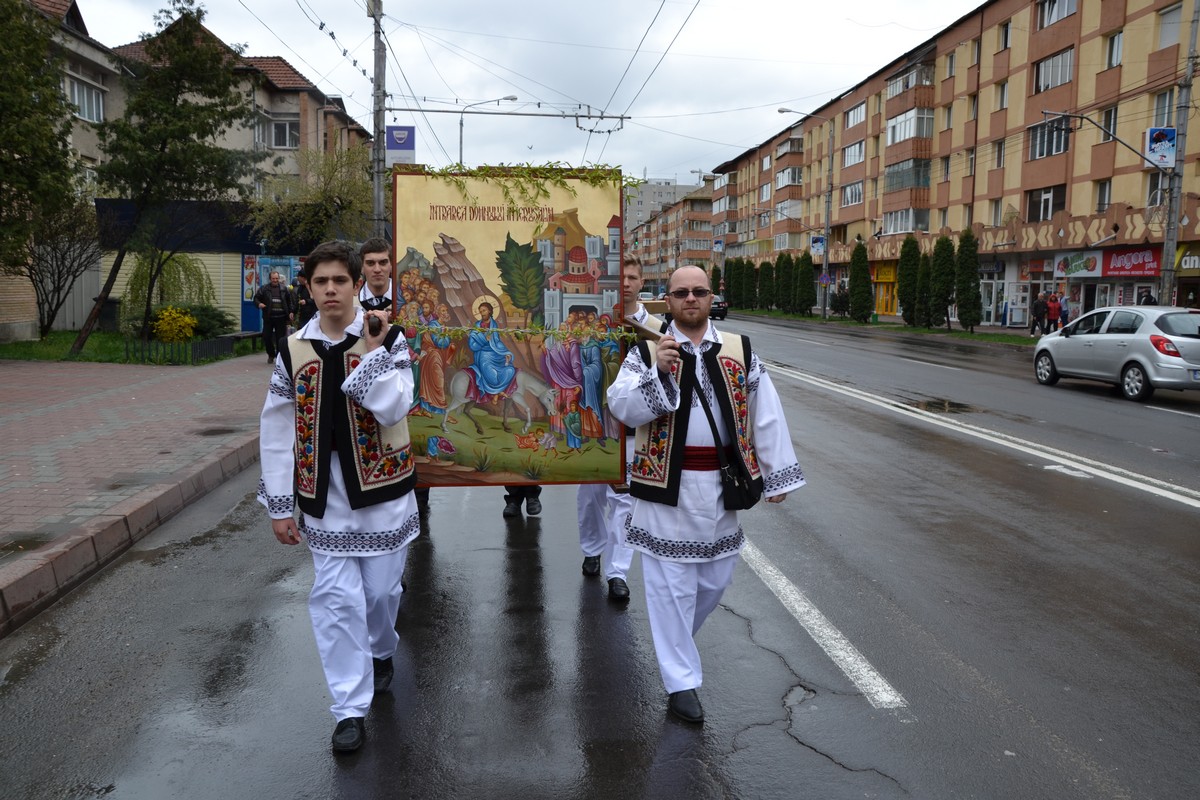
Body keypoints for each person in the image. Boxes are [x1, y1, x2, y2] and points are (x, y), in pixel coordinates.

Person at [607, 265, 805, 724]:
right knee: (670, 588)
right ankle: (681, 683)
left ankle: (674, 644)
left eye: (699, 291)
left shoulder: (739, 349)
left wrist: (777, 474)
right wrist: (657, 372)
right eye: (681, 293)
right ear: (668, 300)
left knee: (714, 581)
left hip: (720, 486)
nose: (690, 299)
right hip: (664, 486)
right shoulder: (645, 350)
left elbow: (765, 412)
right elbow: (622, 407)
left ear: (711, 297)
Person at [257, 240, 419, 754]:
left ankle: (382, 648)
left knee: (381, 594)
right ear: (308, 288)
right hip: (323, 497)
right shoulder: (292, 350)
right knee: (335, 599)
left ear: (356, 285)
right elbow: (277, 428)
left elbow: (396, 406)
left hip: (383, 492)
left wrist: (371, 353)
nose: (331, 290)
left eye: (340, 281)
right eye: (321, 282)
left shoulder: (388, 336)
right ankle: (349, 708)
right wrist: (280, 504)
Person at [576, 256, 659, 601]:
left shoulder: (656, 328)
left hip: (634, 428)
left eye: (633, 277)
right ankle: (592, 548)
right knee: (591, 495)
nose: (626, 283)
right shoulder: (601, 322)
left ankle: (618, 571)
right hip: (598, 420)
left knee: (625, 499)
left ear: (642, 283)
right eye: (621, 277)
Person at [254, 271, 295, 363]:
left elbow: (289, 302)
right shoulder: (264, 289)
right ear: (270, 279)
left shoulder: (284, 289)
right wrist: (259, 304)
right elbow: (256, 298)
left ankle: (279, 356)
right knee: (266, 336)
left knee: (280, 339)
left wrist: (291, 312)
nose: (275, 280)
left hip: (281, 317)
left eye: (276, 278)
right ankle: (271, 354)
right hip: (268, 317)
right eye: (273, 279)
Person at [358, 237, 395, 316]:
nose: (377, 269)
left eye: (383, 262)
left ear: (392, 265)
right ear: (361, 267)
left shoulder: (405, 300)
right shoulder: (350, 303)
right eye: (370, 263)